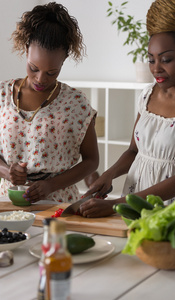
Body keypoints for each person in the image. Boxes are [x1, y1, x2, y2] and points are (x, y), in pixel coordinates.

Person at [80, 0, 175, 218]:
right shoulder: (147, 95)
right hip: (133, 199)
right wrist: (109, 174)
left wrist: (116, 204)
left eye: (166, 59)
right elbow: (134, 151)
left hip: (173, 208)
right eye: (151, 59)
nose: (156, 68)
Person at [0, 2, 99, 203]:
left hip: (57, 202)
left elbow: (91, 161)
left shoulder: (76, 103)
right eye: (33, 68)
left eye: (52, 72)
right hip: (6, 203)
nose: (40, 79)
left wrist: (51, 185)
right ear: (26, 49)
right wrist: (6, 172)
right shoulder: (2, 95)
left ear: (64, 60)